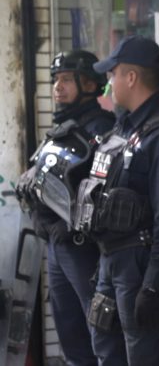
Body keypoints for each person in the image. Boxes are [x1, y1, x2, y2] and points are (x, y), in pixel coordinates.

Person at [74, 36, 159, 365]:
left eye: (112, 74)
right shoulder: (125, 128)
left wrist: (152, 285)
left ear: (130, 77)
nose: (108, 83)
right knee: (106, 348)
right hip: (109, 260)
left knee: (142, 354)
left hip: (137, 267)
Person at [16, 50, 114, 366]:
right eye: (56, 80)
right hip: (57, 245)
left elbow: (105, 193)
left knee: (99, 331)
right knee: (68, 329)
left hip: (83, 247)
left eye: (67, 80)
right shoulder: (63, 128)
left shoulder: (103, 129)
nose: (58, 87)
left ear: (89, 84)